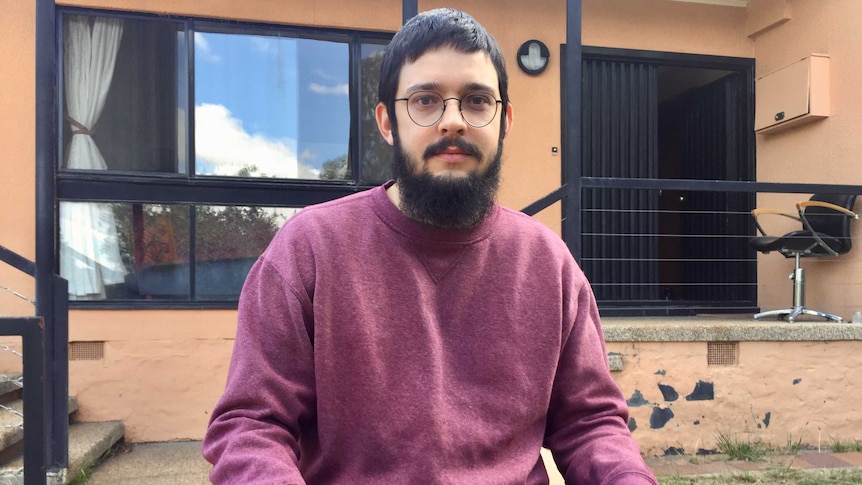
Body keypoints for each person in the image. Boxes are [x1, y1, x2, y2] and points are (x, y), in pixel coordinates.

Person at [203, 7, 658, 484]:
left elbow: (590, 425)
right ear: (386, 122)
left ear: (504, 122)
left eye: (477, 100)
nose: (453, 122)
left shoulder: (549, 264)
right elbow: (251, 427)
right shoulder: (309, 250)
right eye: (425, 100)